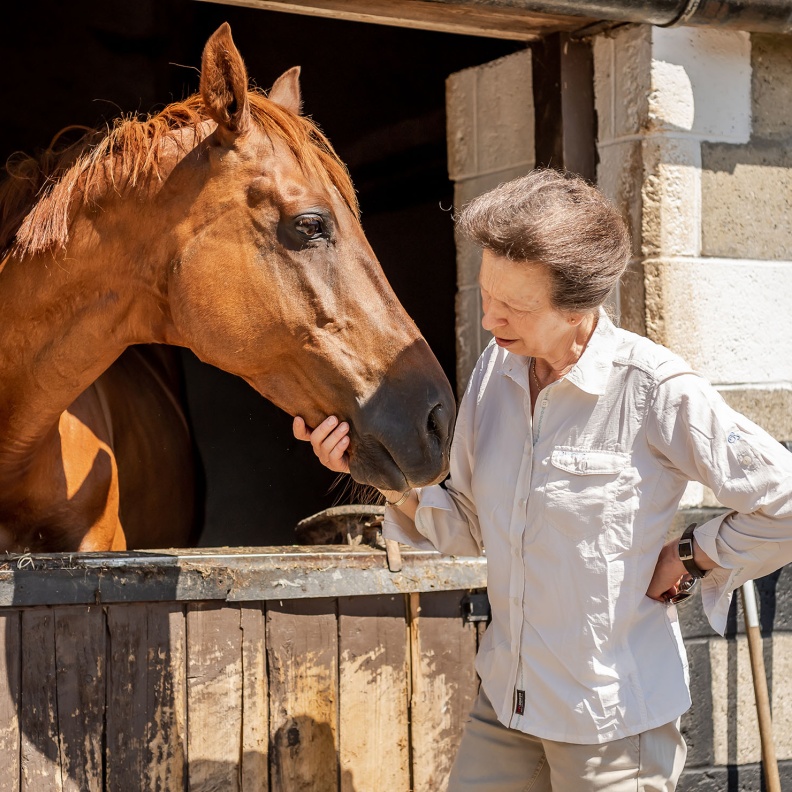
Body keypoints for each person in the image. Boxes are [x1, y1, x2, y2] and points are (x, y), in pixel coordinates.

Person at [293, 169, 792, 791]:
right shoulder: (494, 374)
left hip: (609, 725)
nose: (491, 317)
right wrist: (380, 475)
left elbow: (785, 502)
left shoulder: (653, 389)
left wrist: (693, 555)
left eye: (516, 306)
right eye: (487, 294)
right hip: (506, 701)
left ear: (580, 305)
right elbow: (471, 531)